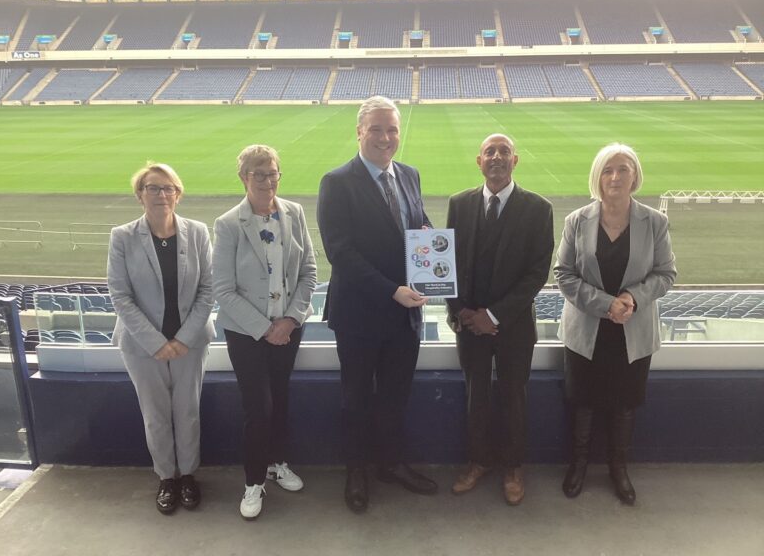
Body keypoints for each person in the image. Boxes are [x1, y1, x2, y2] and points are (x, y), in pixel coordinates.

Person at [317, 95, 437, 514]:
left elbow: (416, 225)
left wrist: (433, 246)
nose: (386, 138)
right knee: (356, 400)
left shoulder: (409, 174)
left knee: (394, 396)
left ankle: (391, 465)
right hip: (361, 315)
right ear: (359, 132)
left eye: (392, 129)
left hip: (406, 313)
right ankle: (357, 472)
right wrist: (392, 289)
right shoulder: (337, 182)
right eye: (377, 129)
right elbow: (341, 253)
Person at [554, 143, 676, 505]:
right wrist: (608, 305)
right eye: (608, 170)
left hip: (633, 331)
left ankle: (618, 469)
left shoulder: (655, 222)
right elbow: (564, 275)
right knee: (583, 402)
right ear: (597, 177)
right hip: (586, 331)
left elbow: (666, 274)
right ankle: (577, 466)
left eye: (623, 169)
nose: (615, 177)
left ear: (635, 175)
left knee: (625, 403)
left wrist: (632, 299)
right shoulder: (577, 220)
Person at [446, 133, 554, 505]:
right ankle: (477, 462)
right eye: (489, 152)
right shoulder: (458, 205)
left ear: (515, 160)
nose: (496, 157)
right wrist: (462, 312)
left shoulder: (538, 209)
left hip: (514, 326)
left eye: (503, 151)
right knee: (475, 396)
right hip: (469, 325)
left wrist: (493, 315)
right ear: (479, 161)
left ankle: (512, 467)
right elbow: (450, 267)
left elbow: (537, 273)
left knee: (513, 397)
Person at [213, 145, 316, 520]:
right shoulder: (227, 224)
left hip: (287, 328)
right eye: (258, 174)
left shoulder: (295, 213)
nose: (267, 180)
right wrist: (265, 328)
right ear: (243, 177)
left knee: (281, 399)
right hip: (246, 333)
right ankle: (253, 482)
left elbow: (308, 272)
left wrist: (289, 320)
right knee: (259, 409)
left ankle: (278, 462)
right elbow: (222, 289)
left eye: (273, 173)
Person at [107, 163, 214, 515]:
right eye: (153, 188)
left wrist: (183, 338)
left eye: (168, 188)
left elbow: (207, 290)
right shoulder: (122, 236)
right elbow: (120, 296)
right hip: (141, 347)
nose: (161, 195)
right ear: (140, 194)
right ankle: (166, 478)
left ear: (178, 194)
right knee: (155, 414)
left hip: (190, 343)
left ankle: (188, 477)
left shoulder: (198, 233)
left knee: (188, 412)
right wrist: (157, 342)